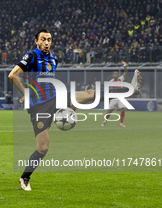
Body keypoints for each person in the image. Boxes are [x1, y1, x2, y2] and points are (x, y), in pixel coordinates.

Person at [8, 28, 142, 191]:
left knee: (89, 93)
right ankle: (25, 177)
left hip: (56, 97)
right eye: (43, 39)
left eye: (49, 39)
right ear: (36, 41)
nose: (46, 42)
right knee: (43, 148)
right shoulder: (31, 56)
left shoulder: (53, 59)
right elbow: (13, 75)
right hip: (39, 106)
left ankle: (130, 89)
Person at [101, 61, 133, 127]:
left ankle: (121, 123)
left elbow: (125, 72)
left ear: (118, 75)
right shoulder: (111, 81)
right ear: (113, 75)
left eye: (116, 74)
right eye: (114, 74)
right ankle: (105, 121)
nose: (115, 75)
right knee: (109, 110)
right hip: (113, 98)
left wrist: (125, 65)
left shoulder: (120, 79)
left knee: (123, 109)